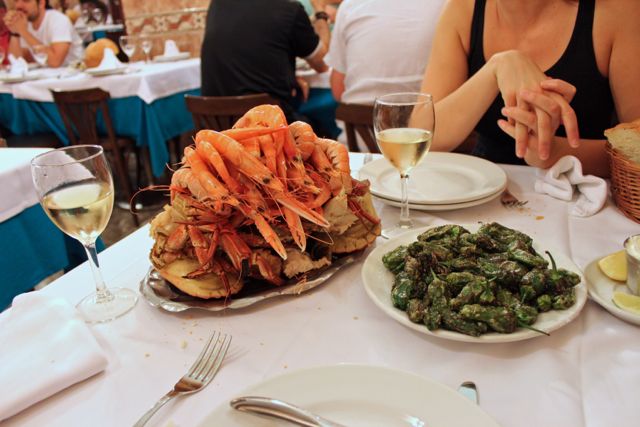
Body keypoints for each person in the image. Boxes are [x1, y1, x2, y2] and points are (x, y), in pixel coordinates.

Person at [417, 0, 640, 177]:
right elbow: (419, 135)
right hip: (482, 195)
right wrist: (495, 69)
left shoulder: (617, 10)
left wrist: (556, 153)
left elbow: (636, 149)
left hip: (586, 200)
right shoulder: (463, 8)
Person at [200, 0, 331, 126]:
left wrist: (290, 77)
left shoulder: (218, 4)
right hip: (269, 131)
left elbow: (243, 52)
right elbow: (322, 61)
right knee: (324, 126)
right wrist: (320, 12)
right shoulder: (289, 10)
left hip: (216, 133)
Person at [327, 0, 445, 104]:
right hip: (434, 125)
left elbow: (338, 90)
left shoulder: (350, 6)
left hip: (359, 126)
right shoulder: (450, 5)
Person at [3, 0, 83, 68]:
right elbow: (16, 62)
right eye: (16, 1)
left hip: (74, 77)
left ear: (41, 3)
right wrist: (15, 33)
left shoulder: (58, 20)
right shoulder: (25, 24)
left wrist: (23, 31)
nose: (19, 6)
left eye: (26, 0)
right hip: (45, 79)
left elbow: (55, 62)